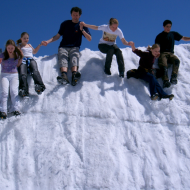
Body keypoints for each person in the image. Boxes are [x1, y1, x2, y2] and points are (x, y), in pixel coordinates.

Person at [42, 7, 91, 86]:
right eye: (74, 15)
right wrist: (47, 41)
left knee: (74, 56)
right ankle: (64, 76)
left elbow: (89, 39)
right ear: (71, 15)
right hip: (63, 46)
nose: (75, 17)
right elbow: (57, 36)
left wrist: (82, 30)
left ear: (80, 16)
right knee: (63, 57)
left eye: (77, 15)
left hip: (75, 46)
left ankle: (74, 75)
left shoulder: (82, 25)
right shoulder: (65, 24)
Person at [155, 20, 190, 88]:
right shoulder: (159, 36)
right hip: (162, 53)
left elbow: (183, 38)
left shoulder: (173, 34)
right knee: (164, 64)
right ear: (163, 27)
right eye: (167, 26)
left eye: (170, 27)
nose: (168, 28)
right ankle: (165, 80)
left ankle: (174, 77)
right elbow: (157, 46)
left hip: (171, 54)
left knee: (176, 61)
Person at [17, 32, 46, 97]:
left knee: (35, 71)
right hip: (23, 60)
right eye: (24, 38)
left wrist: (40, 45)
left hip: (30, 59)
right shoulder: (19, 46)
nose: (26, 39)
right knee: (22, 74)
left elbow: (34, 51)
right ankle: (23, 89)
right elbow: (17, 54)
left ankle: (39, 86)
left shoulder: (29, 45)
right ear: (21, 39)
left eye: (27, 38)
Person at [0, 40, 23, 119]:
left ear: (14, 48)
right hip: (4, 75)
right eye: (8, 48)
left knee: (14, 91)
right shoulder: (2, 55)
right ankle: (3, 111)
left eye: (12, 48)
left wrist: (21, 57)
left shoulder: (17, 55)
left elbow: (18, 64)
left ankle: (16, 109)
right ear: (6, 48)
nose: (10, 50)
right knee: (5, 92)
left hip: (14, 75)